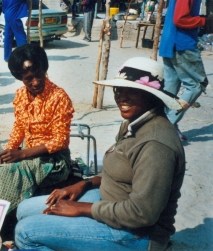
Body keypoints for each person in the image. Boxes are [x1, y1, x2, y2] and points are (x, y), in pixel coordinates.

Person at [15, 57, 185, 251]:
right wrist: (83, 184)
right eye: (119, 90)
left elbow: (141, 213)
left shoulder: (156, 144)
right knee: (24, 209)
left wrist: (82, 209)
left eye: (132, 91)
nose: (122, 97)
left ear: (152, 95)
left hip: (137, 234)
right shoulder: (135, 123)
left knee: (25, 232)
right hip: (111, 200)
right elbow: (121, 170)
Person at [0, 44, 75, 213]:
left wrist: (22, 154)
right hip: (28, 154)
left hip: (54, 161)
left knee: (6, 175)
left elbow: (60, 140)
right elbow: (19, 127)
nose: (35, 82)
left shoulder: (59, 97)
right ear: (20, 77)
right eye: (28, 79)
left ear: (44, 69)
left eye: (39, 75)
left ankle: (5, 219)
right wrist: (7, 152)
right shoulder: (21, 95)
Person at [159, 0, 213, 140]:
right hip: (183, 45)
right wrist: (203, 22)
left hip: (170, 43)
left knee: (170, 89)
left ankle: (165, 124)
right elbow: (180, 19)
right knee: (196, 86)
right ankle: (166, 126)